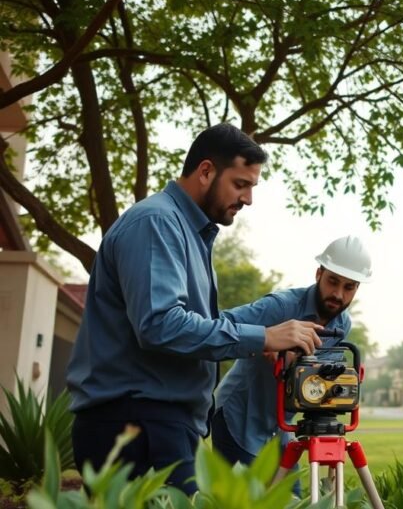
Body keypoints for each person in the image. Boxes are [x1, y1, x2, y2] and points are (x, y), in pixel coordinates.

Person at [66, 123, 323, 494]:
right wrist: (263, 334)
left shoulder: (187, 231)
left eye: (253, 187)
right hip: (136, 425)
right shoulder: (157, 222)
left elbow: (196, 324)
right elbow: (160, 324)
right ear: (206, 171)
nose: (249, 198)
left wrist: (264, 338)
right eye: (240, 184)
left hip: (158, 423)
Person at [211, 236, 372, 491]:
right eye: (333, 281)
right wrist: (265, 341)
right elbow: (220, 324)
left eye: (349, 287)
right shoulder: (281, 306)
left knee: (291, 498)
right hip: (238, 417)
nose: (338, 295)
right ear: (318, 274)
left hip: (281, 427)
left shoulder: (342, 325)